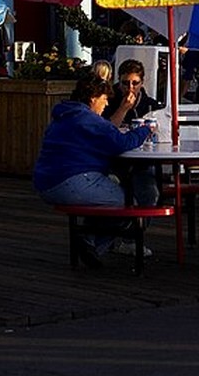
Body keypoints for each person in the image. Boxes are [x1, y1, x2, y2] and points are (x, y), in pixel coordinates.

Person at [33, 73, 151, 267]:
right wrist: (145, 130)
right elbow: (121, 142)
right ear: (93, 98)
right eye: (104, 99)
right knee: (131, 206)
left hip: (46, 182)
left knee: (109, 188)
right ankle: (92, 244)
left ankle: (88, 242)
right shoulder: (87, 119)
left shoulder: (64, 115)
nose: (105, 105)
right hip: (72, 181)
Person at [103, 59, 160, 211]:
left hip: (142, 161)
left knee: (149, 194)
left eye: (135, 83)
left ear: (142, 83)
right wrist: (123, 109)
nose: (130, 88)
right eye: (125, 83)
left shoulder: (150, 105)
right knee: (113, 192)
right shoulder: (107, 101)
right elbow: (106, 131)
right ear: (118, 81)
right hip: (115, 161)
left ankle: (137, 229)